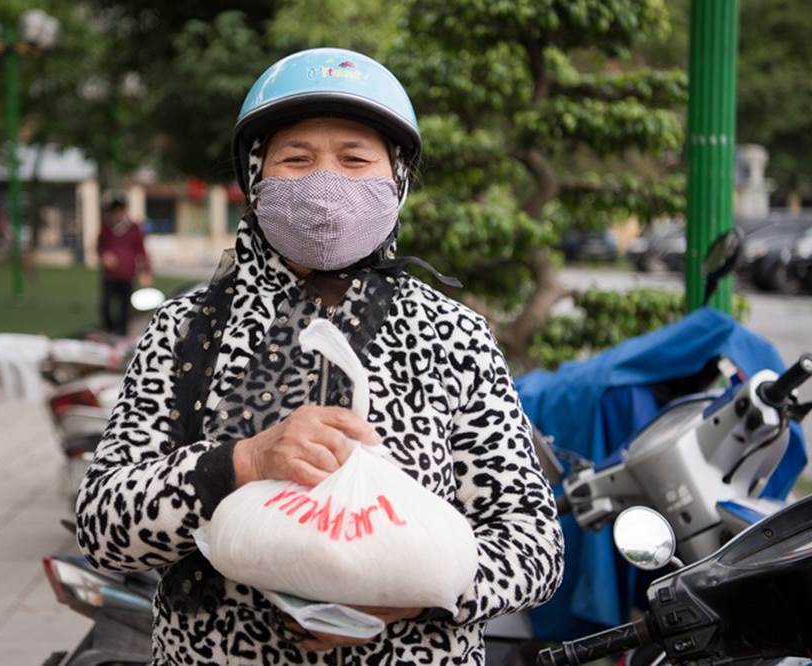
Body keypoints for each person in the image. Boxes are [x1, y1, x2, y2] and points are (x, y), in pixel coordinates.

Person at [76, 47, 563, 665]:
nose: (325, 183)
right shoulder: (184, 332)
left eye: (355, 159)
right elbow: (102, 528)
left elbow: (534, 543)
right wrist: (243, 461)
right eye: (296, 159)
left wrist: (418, 591)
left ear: (397, 178)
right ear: (256, 177)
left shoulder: (453, 337)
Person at [97, 192, 152, 335]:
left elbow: (142, 251)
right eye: (114, 211)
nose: (117, 214)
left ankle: (122, 334)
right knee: (106, 305)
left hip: (127, 274)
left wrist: (146, 271)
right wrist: (104, 256)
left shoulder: (134, 229)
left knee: (124, 308)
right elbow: (99, 247)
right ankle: (108, 331)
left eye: (119, 210)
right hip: (110, 276)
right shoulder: (106, 229)